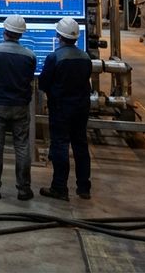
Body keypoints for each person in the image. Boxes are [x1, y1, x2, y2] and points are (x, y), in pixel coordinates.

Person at [0, 15, 37, 200]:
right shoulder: (29, 56)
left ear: (4, 31)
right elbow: (29, 79)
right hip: (20, 106)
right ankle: (24, 189)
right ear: (21, 34)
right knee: (22, 146)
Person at [38, 16, 93, 201]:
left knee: (60, 145)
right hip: (81, 108)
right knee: (81, 145)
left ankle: (59, 187)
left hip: (61, 108)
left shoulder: (55, 57)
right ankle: (84, 187)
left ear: (58, 36)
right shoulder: (85, 57)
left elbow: (44, 82)